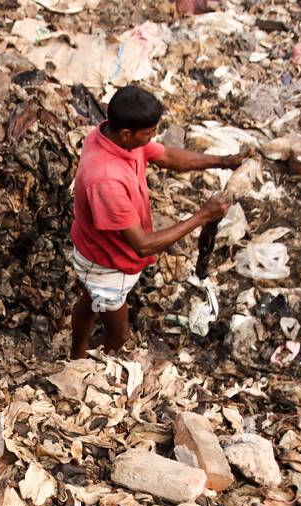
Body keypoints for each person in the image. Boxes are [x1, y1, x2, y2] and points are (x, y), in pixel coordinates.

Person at [68, 85, 247, 359]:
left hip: (94, 250)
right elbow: (141, 245)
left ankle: (76, 353)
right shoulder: (105, 178)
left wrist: (224, 161)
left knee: (90, 301)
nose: (152, 138)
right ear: (127, 134)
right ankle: (85, 365)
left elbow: (167, 156)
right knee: (119, 334)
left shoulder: (113, 135)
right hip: (106, 264)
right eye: (149, 133)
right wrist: (202, 216)